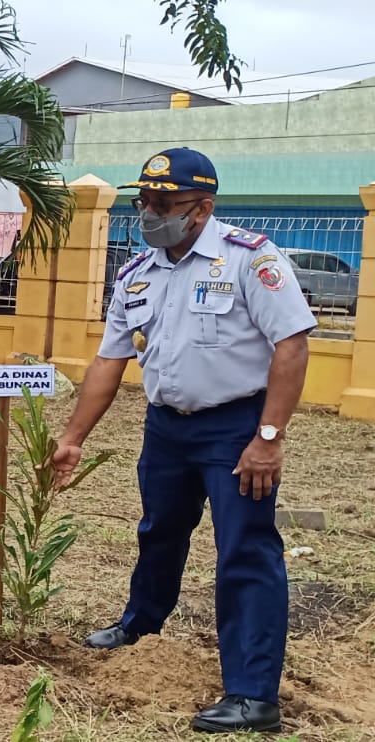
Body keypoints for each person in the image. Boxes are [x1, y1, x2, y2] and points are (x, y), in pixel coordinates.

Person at [51, 147, 314, 734]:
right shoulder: (137, 273)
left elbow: (292, 346)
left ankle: (252, 695)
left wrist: (268, 437)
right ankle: (141, 625)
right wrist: (72, 437)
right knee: (159, 531)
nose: (149, 212)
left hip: (235, 427)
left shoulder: (248, 258)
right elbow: (108, 361)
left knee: (245, 550)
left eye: (164, 203)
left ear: (202, 209)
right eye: (144, 200)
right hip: (166, 426)